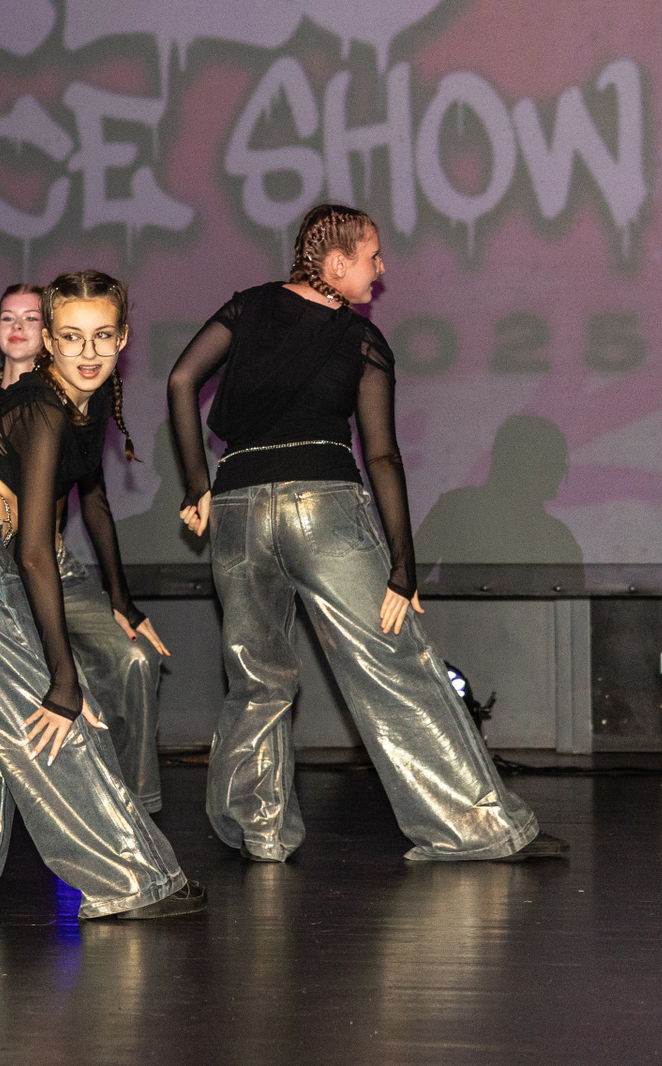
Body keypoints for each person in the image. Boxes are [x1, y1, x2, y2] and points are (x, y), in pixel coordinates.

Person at [167, 203, 561, 864]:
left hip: (235, 509)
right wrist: (403, 567)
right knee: (396, 665)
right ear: (335, 262)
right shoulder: (361, 340)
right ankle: (479, 828)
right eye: (372, 257)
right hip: (322, 508)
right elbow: (381, 455)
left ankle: (260, 831)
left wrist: (195, 486)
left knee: (257, 676)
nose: (380, 270)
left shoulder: (246, 307)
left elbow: (181, 380)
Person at [0, 270, 202, 919]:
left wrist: (121, 602)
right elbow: (32, 550)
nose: (88, 351)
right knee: (52, 710)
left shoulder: (82, 409)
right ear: (49, 341)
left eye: (102, 335)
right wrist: (63, 677)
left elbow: (89, 504)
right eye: (72, 337)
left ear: (123, 338)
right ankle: (132, 880)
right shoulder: (47, 405)